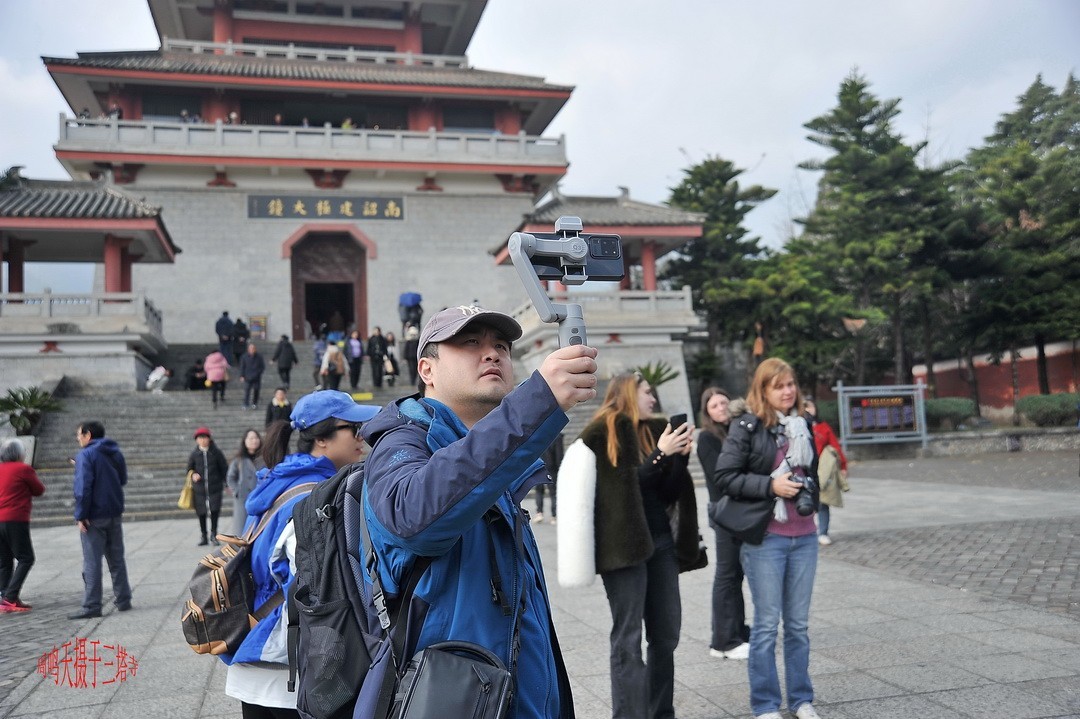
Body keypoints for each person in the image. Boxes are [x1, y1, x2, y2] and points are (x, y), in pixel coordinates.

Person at [360, 304, 598, 718]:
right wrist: (535, 403)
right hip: (448, 700)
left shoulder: (497, 458)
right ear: (426, 370)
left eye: (502, 346)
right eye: (470, 342)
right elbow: (413, 518)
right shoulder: (401, 442)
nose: (492, 354)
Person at [223, 391, 379, 717]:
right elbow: (315, 587)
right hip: (286, 669)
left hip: (256, 662)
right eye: (354, 428)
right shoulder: (312, 497)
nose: (362, 437)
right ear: (321, 439)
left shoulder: (282, 482)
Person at [573, 372, 696, 719]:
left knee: (666, 635)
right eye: (647, 392)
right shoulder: (601, 433)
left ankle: (661, 713)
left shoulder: (653, 430)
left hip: (660, 542)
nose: (653, 399)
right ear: (628, 393)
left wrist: (678, 457)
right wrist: (659, 455)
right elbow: (622, 491)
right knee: (628, 637)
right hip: (622, 548)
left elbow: (667, 492)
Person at [715, 358, 821, 719]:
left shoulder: (803, 423)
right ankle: (765, 704)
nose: (788, 391)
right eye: (779, 386)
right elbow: (725, 476)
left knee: (798, 626)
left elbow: (812, 470)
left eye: (791, 384)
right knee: (765, 625)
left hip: (805, 535)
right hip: (767, 539)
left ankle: (801, 699)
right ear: (763, 390)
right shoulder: (747, 426)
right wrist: (770, 486)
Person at [696, 386, 751, 661]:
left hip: (742, 512)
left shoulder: (738, 430)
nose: (721, 408)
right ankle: (722, 641)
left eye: (723, 402)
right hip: (725, 513)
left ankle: (738, 630)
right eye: (714, 405)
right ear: (707, 413)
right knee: (726, 575)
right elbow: (720, 476)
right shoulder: (707, 438)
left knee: (736, 575)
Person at [70, 421, 133, 619]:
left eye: (79, 434)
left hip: (94, 516)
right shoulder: (114, 452)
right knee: (116, 559)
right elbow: (122, 479)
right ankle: (123, 599)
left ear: (88, 434)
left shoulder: (86, 455)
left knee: (92, 562)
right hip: (113, 512)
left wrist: (81, 515)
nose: (78, 438)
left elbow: (83, 488)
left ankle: (91, 605)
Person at [0, 439, 45, 613]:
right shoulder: (23, 469)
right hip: (15, 519)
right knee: (26, 558)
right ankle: (10, 597)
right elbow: (39, 490)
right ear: (19, 454)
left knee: (4, 561)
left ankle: (5, 596)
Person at [803, 399, 848, 547]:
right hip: (802, 469)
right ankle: (805, 532)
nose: (807, 410)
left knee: (823, 502)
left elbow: (835, 447)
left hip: (822, 469)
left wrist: (843, 466)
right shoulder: (794, 425)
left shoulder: (823, 427)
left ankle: (822, 532)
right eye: (804, 407)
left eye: (809, 406)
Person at [187, 427, 229, 546]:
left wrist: (226, 483)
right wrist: (193, 474)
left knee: (215, 510)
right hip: (199, 489)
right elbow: (189, 469)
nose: (202, 440)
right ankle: (203, 535)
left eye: (205, 437)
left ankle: (214, 534)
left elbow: (224, 468)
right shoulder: (194, 454)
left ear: (209, 439)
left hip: (215, 487)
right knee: (201, 512)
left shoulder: (216, 452)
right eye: (200, 438)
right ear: (196, 440)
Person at [226, 429, 265, 536]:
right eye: (251, 438)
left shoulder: (264, 458)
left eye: (256, 438)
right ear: (245, 441)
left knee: (259, 529)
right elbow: (230, 477)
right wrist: (237, 491)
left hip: (260, 497)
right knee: (242, 530)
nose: (254, 441)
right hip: (242, 498)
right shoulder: (238, 460)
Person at [533, 432, 563, 524]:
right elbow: (559, 456)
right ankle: (554, 515)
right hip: (552, 468)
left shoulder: (538, 435)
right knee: (553, 492)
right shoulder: (557, 436)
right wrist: (560, 469)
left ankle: (539, 513)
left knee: (539, 491)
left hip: (539, 467)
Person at [239, 343, 267, 410]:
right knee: (247, 391)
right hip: (247, 377)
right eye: (250, 349)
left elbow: (262, 367)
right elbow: (242, 367)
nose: (252, 350)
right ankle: (246, 403)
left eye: (253, 348)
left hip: (256, 377)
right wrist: (242, 375)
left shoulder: (259, 357)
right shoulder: (244, 357)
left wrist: (258, 373)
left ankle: (254, 403)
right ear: (248, 349)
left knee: (256, 390)